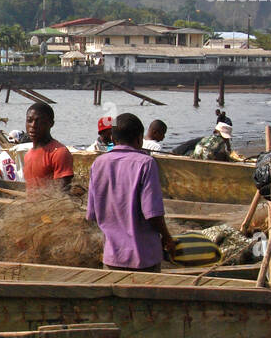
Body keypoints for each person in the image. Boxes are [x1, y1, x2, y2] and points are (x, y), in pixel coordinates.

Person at [86, 113, 176, 272]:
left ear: (112, 138)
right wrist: (167, 237)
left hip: (112, 257)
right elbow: (153, 214)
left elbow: (91, 215)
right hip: (144, 258)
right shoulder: (146, 163)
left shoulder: (98, 163)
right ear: (140, 138)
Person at [21, 104, 73, 190]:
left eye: (39, 121)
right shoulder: (28, 155)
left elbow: (63, 192)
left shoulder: (59, 153)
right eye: (29, 121)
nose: (33, 125)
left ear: (51, 124)